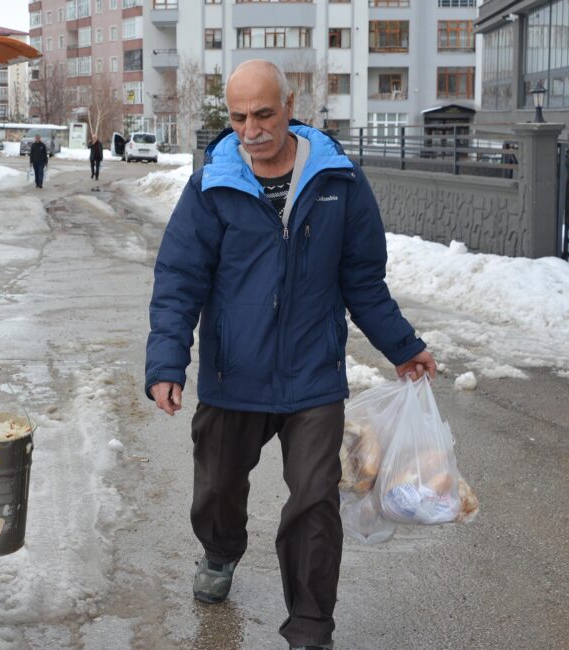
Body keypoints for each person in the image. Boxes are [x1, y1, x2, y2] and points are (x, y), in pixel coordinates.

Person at [144, 59, 436, 650]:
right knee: (217, 487)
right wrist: (167, 363)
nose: (251, 130)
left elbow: (363, 280)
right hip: (234, 373)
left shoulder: (338, 181)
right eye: (238, 117)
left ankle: (310, 627)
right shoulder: (211, 185)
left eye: (263, 114)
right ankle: (220, 551)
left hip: (311, 375)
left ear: (289, 105)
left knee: (314, 502)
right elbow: (179, 280)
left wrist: (403, 346)